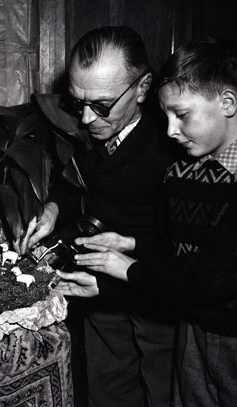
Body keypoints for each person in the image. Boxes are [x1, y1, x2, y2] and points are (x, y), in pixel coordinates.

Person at [55, 37, 237, 407]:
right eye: (166, 116)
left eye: (181, 115)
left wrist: (126, 269)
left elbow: (215, 275)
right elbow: (178, 253)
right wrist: (130, 246)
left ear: (227, 103)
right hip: (192, 327)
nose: (170, 131)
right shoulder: (185, 172)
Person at [27, 26, 182, 407]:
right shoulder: (94, 126)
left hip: (157, 293)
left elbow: (182, 248)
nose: (84, 118)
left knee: (164, 390)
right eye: (77, 101)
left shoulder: (175, 143)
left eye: (101, 105)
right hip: (97, 290)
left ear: (142, 88)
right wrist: (52, 209)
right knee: (107, 389)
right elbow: (75, 183)